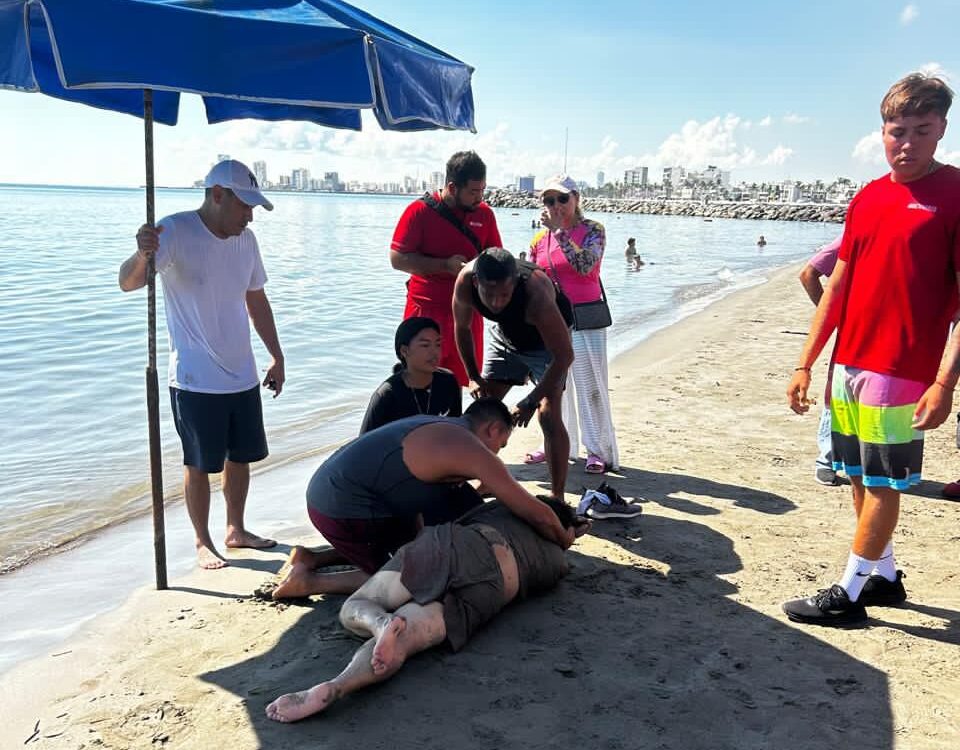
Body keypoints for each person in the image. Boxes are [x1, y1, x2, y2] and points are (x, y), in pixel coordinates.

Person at [783, 73, 960, 626]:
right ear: (882, 133)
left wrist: (944, 383)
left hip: (902, 369)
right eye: (895, 130)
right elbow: (836, 285)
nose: (905, 143)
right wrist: (805, 363)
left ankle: (850, 591)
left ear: (941, 131)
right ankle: (882, 575)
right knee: (856, 474)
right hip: (849, 363)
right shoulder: (869, 196)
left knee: (883, 482)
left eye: (920, 130)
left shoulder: (954, 194)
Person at [266, 497, 588, 723]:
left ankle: (379, 622)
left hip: (453, 544)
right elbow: (555, 561)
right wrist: (567, 537)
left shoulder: (507, 507)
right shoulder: (557, 563)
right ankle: (338, 687)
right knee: (404, 642)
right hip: (492, 588)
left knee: (356, 605)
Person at [118, 159, 284, 570]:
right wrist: (142, 253)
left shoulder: (247, 241)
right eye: (244, 206)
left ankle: (236, 529)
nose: (249, 215)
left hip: (242, 372)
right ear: (216, 195)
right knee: (198, 463)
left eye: (252, 207)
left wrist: (276, 355)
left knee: (240, 457)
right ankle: (202, 541)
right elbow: (128, 281)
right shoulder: (175, 231)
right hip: (195, 378)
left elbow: (256, 300)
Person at [272, 398, 574, 598]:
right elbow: (531, 510)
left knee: (429, 531)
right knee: (407, 579)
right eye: (501, 444)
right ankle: (307, 583)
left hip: (339, 493)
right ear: (492, 429)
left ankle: (311, 557)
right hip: (340, 508)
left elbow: (434, 492)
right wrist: (562, 537)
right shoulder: (469, 447)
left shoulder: (438, 425)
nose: (497, 452)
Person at [453, 248, 575, 499]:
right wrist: (473, 376)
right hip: (506, 338)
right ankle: (485, 480)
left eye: (505, 295)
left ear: (516, 283)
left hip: (547, 344)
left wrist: (530, 401)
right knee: (485, 411)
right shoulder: (466, 280)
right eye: (489, 294)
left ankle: (557, 496)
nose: (497, 302)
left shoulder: (536, 292)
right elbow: (462, 328)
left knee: (548, 416)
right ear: (477, 283)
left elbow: (564, 356)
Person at [528, 174, 619, 475]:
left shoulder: (593, 230)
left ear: (576, 199)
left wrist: (560, 233)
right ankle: (555, 442)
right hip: (552, 320)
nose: (556, 206)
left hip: (585, 318)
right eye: (549, 200)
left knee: (590, 383)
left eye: (562, 199)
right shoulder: (539, 240)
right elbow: (532, 278)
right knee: (554, 386)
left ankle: (597, 450)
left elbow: (585, 266)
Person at [390, 151, 502, 387]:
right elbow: (397, 259)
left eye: (482, 190)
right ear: (452, 187)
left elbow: (496, 259)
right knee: (417, 383)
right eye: (473, 191)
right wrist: (445, 266)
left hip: (467, 312)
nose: (479, 197)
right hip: (425, 309)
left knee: (461, 384)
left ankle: (453, 424)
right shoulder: (419, 211)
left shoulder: (485, 214)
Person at [360, 317, 462, 434]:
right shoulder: (387, 395)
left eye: (438, 344)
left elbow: (457, 429)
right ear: (404, 351)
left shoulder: (448, 381)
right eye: (425, 345)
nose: (435, 352)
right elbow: (364, 443)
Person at [797, 234, 844, 486]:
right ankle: (827, 459)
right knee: (836, 391)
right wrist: (833, 316)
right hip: (855, 330)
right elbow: (808, 273)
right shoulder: (855, 233)